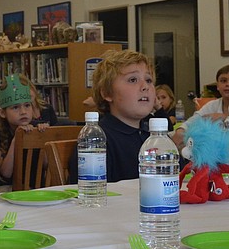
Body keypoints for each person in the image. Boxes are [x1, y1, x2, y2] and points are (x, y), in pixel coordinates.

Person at [68, 49, 174, 184]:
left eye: (148, 80)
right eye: (133, 80)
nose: (145, 87)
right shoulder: (97, 140)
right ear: (107, 93)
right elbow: (87, 191)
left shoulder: (155, 136)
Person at [172, 65, 229, 151]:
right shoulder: (212, 105)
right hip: (216, 153)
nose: (228, 84)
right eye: (223, 81)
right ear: (217, 86)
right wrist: (181, 129)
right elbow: (195, 119)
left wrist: (224, 118)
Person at [0, 73, 49, 183]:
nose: (23, 112)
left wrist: (43, 139)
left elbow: (47, 165)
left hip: (37, 188)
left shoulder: (37, 128)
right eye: (15, 107)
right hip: (8, 188)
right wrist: (16, 139)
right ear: (2, 113)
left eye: (27, 105)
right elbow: (5, 174)